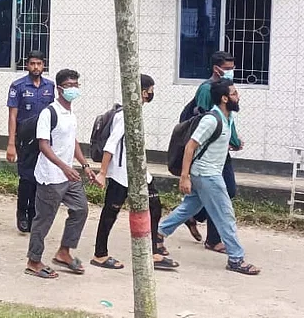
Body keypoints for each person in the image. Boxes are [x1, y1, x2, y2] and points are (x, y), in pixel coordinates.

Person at [158, 79, 260, 276]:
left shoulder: (226, 118)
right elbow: (190, 146)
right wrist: (184, 177)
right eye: (234, 93)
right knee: (225, 215)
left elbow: (213, 143)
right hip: (207, 175)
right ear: (224, 98)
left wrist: (230, 145)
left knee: (190, 207)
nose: (238, 97)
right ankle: (236, 258)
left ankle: (159, 233)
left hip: (205, 173)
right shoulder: (211, 119)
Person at [91, 74, 179, 271]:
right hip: (121, 173)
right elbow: (111, 145)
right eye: (151, 91)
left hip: (138, 172)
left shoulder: (135, 112)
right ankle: (100, 254)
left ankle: (154, 252)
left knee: (155, 205)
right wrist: (103, 172)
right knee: (110, 212)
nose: (151, 94)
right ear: (143, 91)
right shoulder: (126, 115)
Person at [25, 69, 97, 279]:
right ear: (59, 89)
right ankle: (33, 261)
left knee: (81, 209)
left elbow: (72, 141)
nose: (73, 88)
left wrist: (84, 165)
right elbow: (43, 145)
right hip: (50, 177)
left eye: (76, 84)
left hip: (69, 176)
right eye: (69, 85)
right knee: (43, 220)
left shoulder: (71, 114)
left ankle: (64, 252)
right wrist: (64, 167)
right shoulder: (50, 113)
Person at [184, 51, 243, 251]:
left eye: (231, 68)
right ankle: (214, 239)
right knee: (224, 191)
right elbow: (201, 119)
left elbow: (228, 120)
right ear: (216, 68)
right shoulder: (206, 89)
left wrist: (234, 140)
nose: (230, 72)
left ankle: (193, 216)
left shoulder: (227, 89)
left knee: (217, 193)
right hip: (208, 152)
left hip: (221, 149)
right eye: (227, 69)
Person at [6, 50, 55, 232]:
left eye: (39, 64)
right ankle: (22, 214)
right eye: (32, 63)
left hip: (43, 139)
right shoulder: (18, 86)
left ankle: (33, 214)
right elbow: (12, 115)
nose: (36, 67)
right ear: (27, 65)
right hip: (24, 139)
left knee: (39, 178)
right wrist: (11, 143)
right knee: (26, 178)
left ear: (43, 66)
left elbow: (53, 114)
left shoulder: (50, 87)